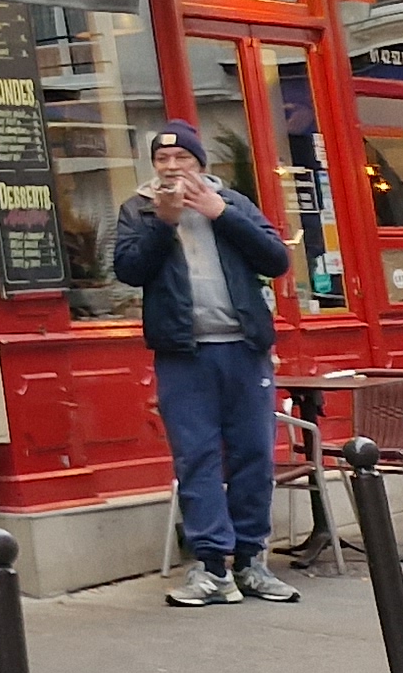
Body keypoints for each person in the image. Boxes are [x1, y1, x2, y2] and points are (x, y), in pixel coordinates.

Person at [108, 120, 303, 608]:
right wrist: (163, 222)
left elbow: (276, 260)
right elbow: (128, 270)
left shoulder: (232, 202)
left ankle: (251, 561)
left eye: (182, 158)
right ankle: (213, 567)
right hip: (183, 353)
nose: (172, 167)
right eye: (162, 159)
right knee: (196, 457)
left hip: (244, 349)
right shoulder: (138, 209)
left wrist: (221, 214)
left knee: (254, 454)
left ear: (200, 163)